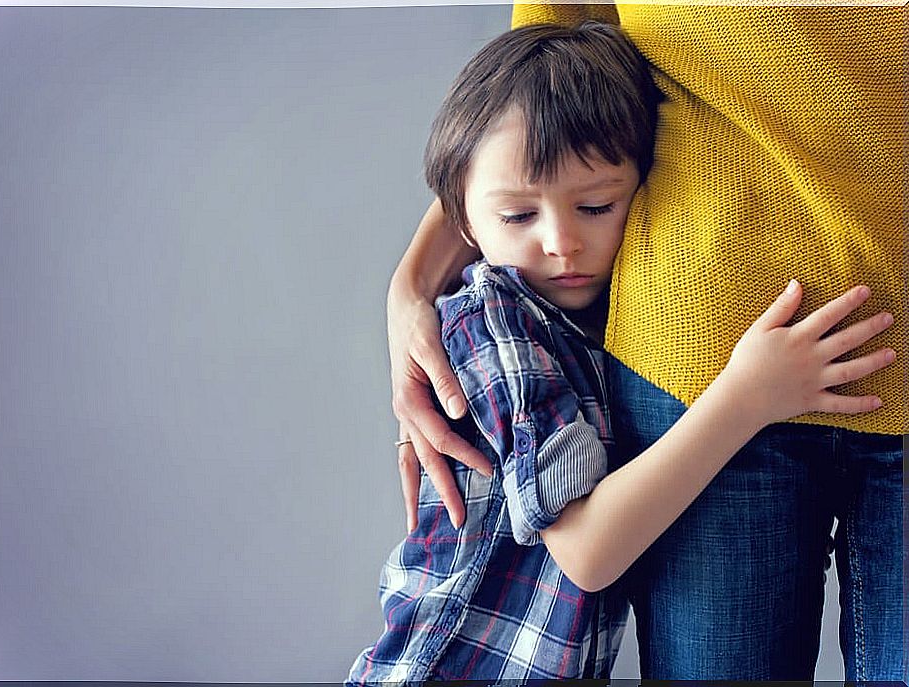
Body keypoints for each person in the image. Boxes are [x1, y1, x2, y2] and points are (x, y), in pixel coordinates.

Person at [349, 22, 896, 683]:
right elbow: (587, 550)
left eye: (598, 205)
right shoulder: (496, 328)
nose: (562, 242)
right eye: (519, 217)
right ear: (463, 223)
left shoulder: (575, 314)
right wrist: (745, 397)